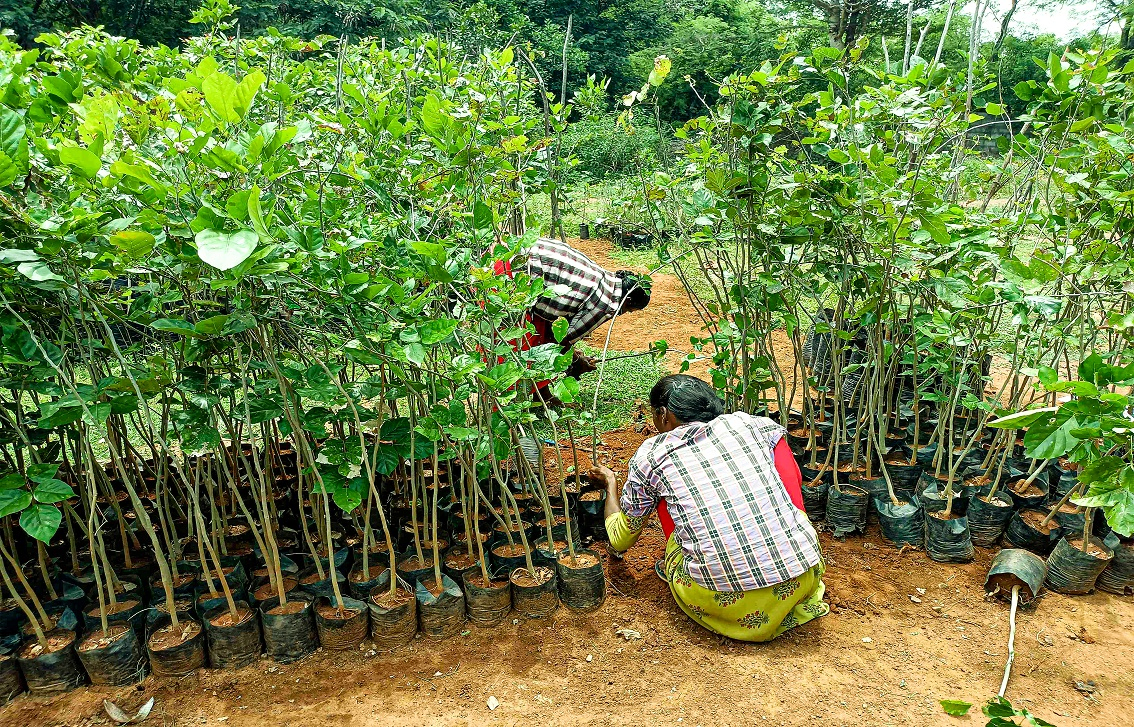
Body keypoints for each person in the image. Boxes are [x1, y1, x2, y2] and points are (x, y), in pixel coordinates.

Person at [590, 374, 828, 642]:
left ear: (664, 414)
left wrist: (611, 484)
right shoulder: (752, 425)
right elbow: (789, 476)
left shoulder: (652, 456)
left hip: (726, 602)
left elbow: (621, 538)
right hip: (800, 578)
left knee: (675, 519)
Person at [493, 237, 651, 380]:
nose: (623, 313)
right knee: (514, 345)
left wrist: (573, 353)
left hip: (508, 254)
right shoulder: (608, 303)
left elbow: (557, 321)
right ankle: (506, 401)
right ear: (628, 300)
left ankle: (540, 395)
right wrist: (576, 361)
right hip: (511, 276)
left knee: (535, 332)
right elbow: (560, 339)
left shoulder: (607, 279)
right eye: (629, 310)